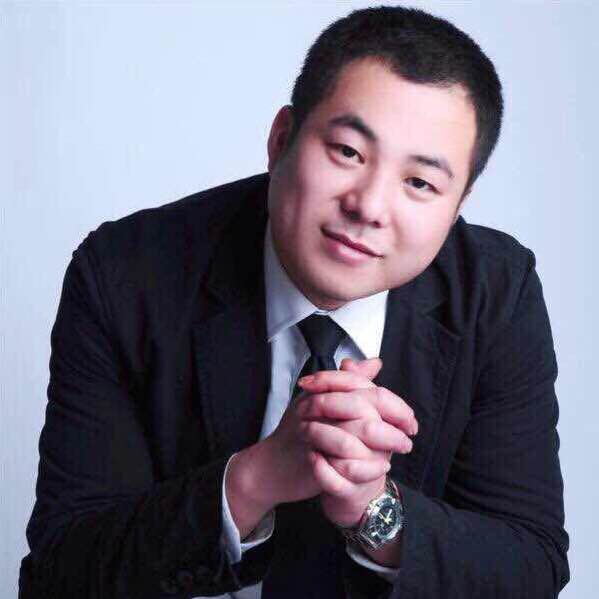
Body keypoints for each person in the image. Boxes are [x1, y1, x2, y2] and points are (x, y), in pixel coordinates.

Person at [19, 5, 570, 598]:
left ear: (457, 206)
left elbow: (531, 565)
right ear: (281, 139)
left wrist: (373, 510)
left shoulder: (496, 294)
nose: (369, 206)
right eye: (348, 152)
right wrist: (250, 483)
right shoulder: (127, 276)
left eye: (420, 183)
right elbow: (60, 572)